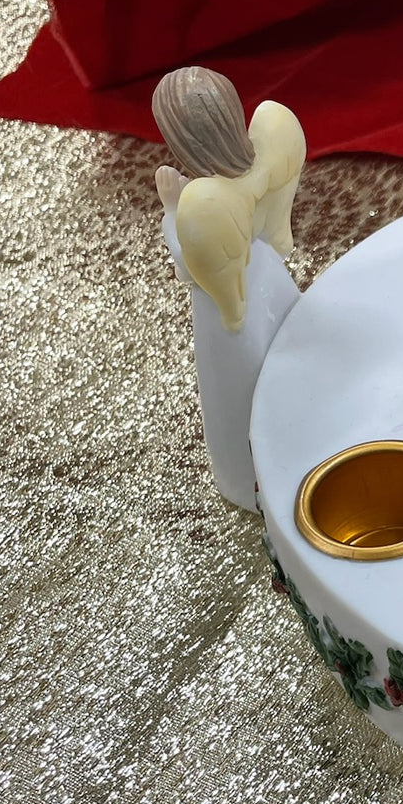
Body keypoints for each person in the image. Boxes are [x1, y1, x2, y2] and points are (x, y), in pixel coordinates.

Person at [151, 66, 304, 510]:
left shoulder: (203, 202)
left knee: (238, 392)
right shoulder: (261, 165)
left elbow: (192, 263)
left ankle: (250, 479)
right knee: (284, 350)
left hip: (228, 306)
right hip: (265, 278)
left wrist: (173, 209)